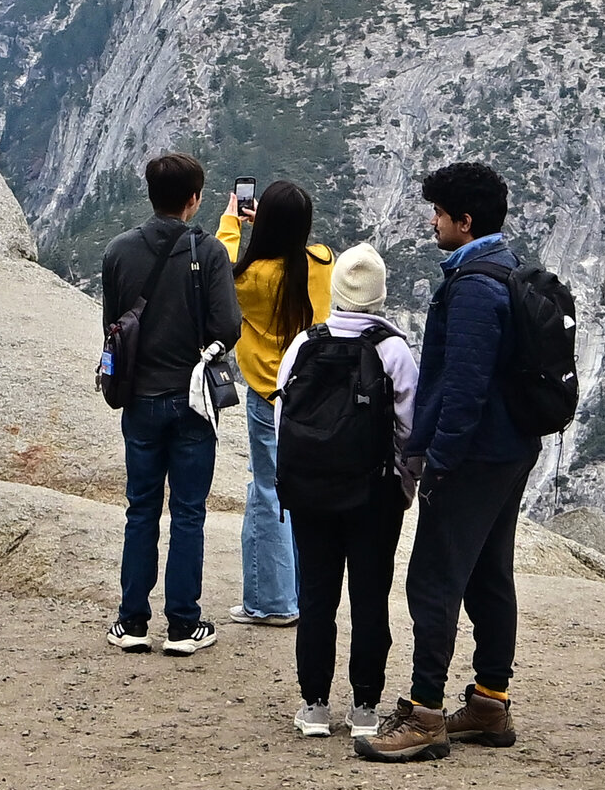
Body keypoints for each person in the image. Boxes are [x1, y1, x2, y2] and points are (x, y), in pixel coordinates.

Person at [356, 161, 541, 762]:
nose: (433, 222)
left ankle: (426, 711)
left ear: (464, 221)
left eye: (439, 214)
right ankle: (490, 701)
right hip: (511, 449)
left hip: (472, 457)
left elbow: (462, 388)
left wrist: (439, 461)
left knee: (432, 579)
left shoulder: (470, 289)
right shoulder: (510, 270)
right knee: (490, 575)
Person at [100, 152, 241, 658]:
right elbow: (228, 328)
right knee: (188, 512)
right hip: (194, 402)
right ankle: (183, 625)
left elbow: (113, 328)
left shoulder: (118, 251)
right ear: (194, 199)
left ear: (150, 194)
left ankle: (131, 621)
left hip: (139, 399)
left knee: (140, 509)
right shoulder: (211, 253)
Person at [275, 242, 418, 740]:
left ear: (335, 291)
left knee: (316, 597)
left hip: (312, 493)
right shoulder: (393, 350)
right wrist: (404, 486)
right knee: (370, 597)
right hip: (374, 496)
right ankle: (365, 709)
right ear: (379, 296)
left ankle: (314, 706)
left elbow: (282, 422)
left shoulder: (303, 345)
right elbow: (408, 430)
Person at [215, 181, 334, 628]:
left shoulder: (252, 277)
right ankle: (306, 596)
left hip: (268, 396)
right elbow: (305, 253)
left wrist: (233, 221)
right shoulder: (322, 261)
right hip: (314, 396)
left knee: (267, 491)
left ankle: (272, 602)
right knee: (306, 494)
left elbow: (220, 267)